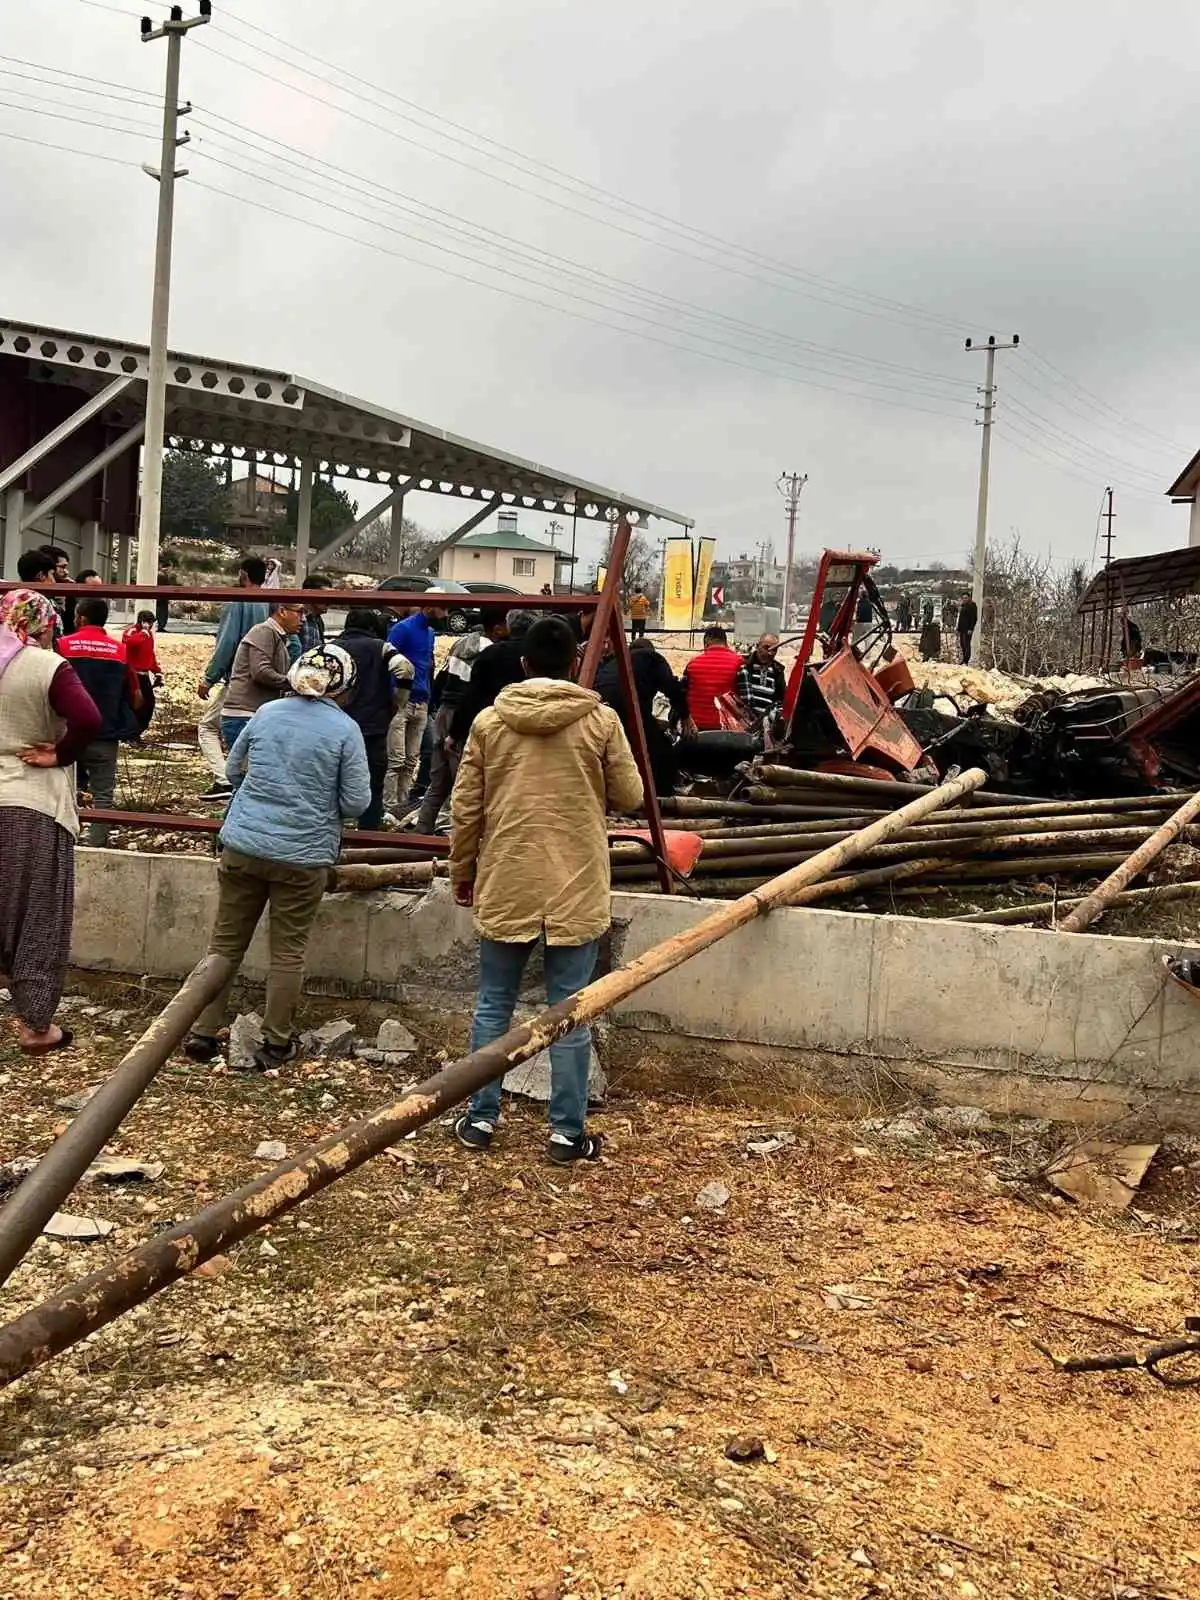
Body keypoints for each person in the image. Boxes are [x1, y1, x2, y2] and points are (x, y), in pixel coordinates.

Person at [450, 616, 643, 1163]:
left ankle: (480, 1120)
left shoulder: (490, 723)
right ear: (574, 661)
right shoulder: (599, 721)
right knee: (569, 1011)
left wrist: (463, 870)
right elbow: (629, 795)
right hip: (575, 882)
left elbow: (465, 809)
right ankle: (565, 1133)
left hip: (507, 876)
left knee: (493, 1004)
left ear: (523, 664)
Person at [183, 645, 371, 1071]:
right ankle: (275, 1043)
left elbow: (232, 772)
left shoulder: (266, 713)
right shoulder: (346, 730)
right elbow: (357, 801)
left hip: (243, 846)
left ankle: (202, 1032)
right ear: (342, 688)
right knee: (288, 953)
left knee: (224, 945)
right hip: (303, 858)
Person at [0, 589, 101, 1054]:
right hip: (30, 802)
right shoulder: (46, 665)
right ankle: (36, 1026)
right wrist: (58, 753)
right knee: (36, 914)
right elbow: (87, 718)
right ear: (43, 623)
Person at [55, 596, 140, 846]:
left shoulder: (63, 646)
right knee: (103, 793)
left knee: (62, 789)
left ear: (80, 617)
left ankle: (65, 842)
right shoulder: (120, 651)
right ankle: (97, 843)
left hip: (68, 733)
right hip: (105, 735)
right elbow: (136, 698)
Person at [415, 608, 508, 836]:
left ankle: (421, 831)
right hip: (464, 717)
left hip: (444, 712)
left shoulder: (460, 644)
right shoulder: (492, 653)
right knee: (465, 783)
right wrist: (457, 732)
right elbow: (474, 694)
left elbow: (441, 679)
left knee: (438, 782)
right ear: (497, 628)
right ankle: (455, 835)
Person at [197, 555, 269, 802]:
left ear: (243, 574)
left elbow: (228, 642)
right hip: (264, 678)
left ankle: (223, 778)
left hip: (238, 679)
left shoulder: (238, 600)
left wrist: (209, 677)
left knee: (208, 726)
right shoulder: (269, 602)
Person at [337, 610, 414, 831]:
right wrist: (397, 701)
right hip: (372, 727)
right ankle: (368, 835)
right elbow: (405, 669)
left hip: (336, 726)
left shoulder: (333, 647)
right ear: (372, 627)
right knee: (371, 783)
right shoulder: (380, 646)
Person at [595, 635, 692, 796]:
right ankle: (661, 797)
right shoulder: (651, 658)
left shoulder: (614, 662)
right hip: (628, 708)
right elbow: (673, 688)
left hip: (601, 711)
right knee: (661, 750)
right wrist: (685, 716)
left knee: (618, 751)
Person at [384, 597, 446, 816]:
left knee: (411, 759)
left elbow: (428, 664)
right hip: (403, 700)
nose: (446, 615)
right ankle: (389, 805)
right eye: (443, 609)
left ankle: (401, 804)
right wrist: (395, 695)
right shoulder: (403, 629)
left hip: (421, 700)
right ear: (430, 607)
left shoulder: (429, 633)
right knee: (397, 759)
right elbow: (389, 660)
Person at [219, 600, 303, 755]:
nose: (302, 619)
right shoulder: (264, 631)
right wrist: (296, 684)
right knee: (249, 774)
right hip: (244, 715)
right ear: (282, 611)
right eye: (299, 612)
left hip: (253, 715)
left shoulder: (277, 636)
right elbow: (261, 672)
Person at [448, 610, 537, 747]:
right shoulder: (542, 654)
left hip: (493, 728)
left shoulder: (491, 653)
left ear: (509, 627)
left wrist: (455, 733)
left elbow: (472, 696)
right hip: (532, 730)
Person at [682, 625, 743, 731]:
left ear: (706, 644)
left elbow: (682, 694)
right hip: (728, 729)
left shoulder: (692, 664)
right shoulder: (739, 662)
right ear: (726, 643)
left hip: (697, 729)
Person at [121, 610, 163, 736]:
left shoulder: (149, 635)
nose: (150, 626)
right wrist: (143, 634)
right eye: (148, 623)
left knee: (148, 704)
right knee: (134, 704)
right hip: (132, 674)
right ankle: (130, 733)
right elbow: (129, 643)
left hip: (144, 675)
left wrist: (157, 671)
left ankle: (136, 732)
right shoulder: (133, 632)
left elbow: (150, 654)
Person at [737, 634, 786, 729]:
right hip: (744, 723)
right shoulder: (745, 666)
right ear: (757, 646)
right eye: (766, 647)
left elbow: (781, 698)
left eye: (774, 650)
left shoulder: (778, 671)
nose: (770, 653)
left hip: (766, 726)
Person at [297, 574, 335, 655]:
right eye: (325, 596)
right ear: (310, 594)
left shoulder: (318, 621)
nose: (329, 602)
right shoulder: (297, 616)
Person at [956, 593, 978, 665]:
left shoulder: (972, 606)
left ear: (969, 598)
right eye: (963, 598)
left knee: (966, 644)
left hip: (967, 629)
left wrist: (971, 628)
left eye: (966, 598)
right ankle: (964, 659)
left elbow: (974, 618)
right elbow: (960, 618)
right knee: (962, 644)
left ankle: (966, 660)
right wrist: (958, 628)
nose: (964, 599)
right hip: (962, 628)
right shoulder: (963, 605)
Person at [156, 554, 176, 633]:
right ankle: (161, 626)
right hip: (162, 597)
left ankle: (160, 626)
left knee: (160, 612)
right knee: (162, 613)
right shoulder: (162, 575)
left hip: (160, 597)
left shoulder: (160, 574)